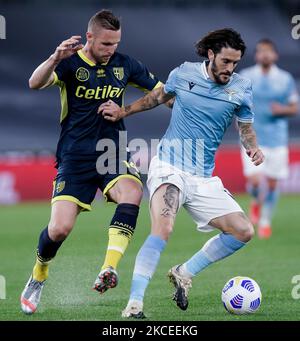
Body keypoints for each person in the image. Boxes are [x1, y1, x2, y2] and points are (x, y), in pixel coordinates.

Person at [99, 28, 264, 318]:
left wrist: (253, 148)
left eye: (235, 63)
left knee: (243, 231)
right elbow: (156, 98)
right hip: (169, 167)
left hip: (203, 177)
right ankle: (134, 304)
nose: (230, 68)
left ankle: (183, 272)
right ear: (211, 54)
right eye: (226, 61)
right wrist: (124, 112)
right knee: (164, 228)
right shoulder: (184, 74)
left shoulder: (241, 87)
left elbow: (246, 127)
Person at [20, 9, 165, 315]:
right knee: (59, 229)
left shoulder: (125, 64)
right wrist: (55, 57)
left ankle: (108, 268)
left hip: (112, 152)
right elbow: (35, 83)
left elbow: (162, 93)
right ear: (90, 37)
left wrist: (127, 111)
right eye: (105, 44)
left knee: (133, 192)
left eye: (115, 43)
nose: (111, 49)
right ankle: (39, 274)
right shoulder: (70, 63)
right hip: (74, 156)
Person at [240, 39, 299, 239]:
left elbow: (294, 107)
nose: (265, 55)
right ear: (257, 55)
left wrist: (282, 110)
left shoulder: (285, 78)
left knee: (273, 184)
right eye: (261, 52)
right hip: (252, 138)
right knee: (255, 181)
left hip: (277, 139)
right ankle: (255, 202)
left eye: (268, 51)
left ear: (275, 55)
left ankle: (265, 221)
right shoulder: (246, 77)